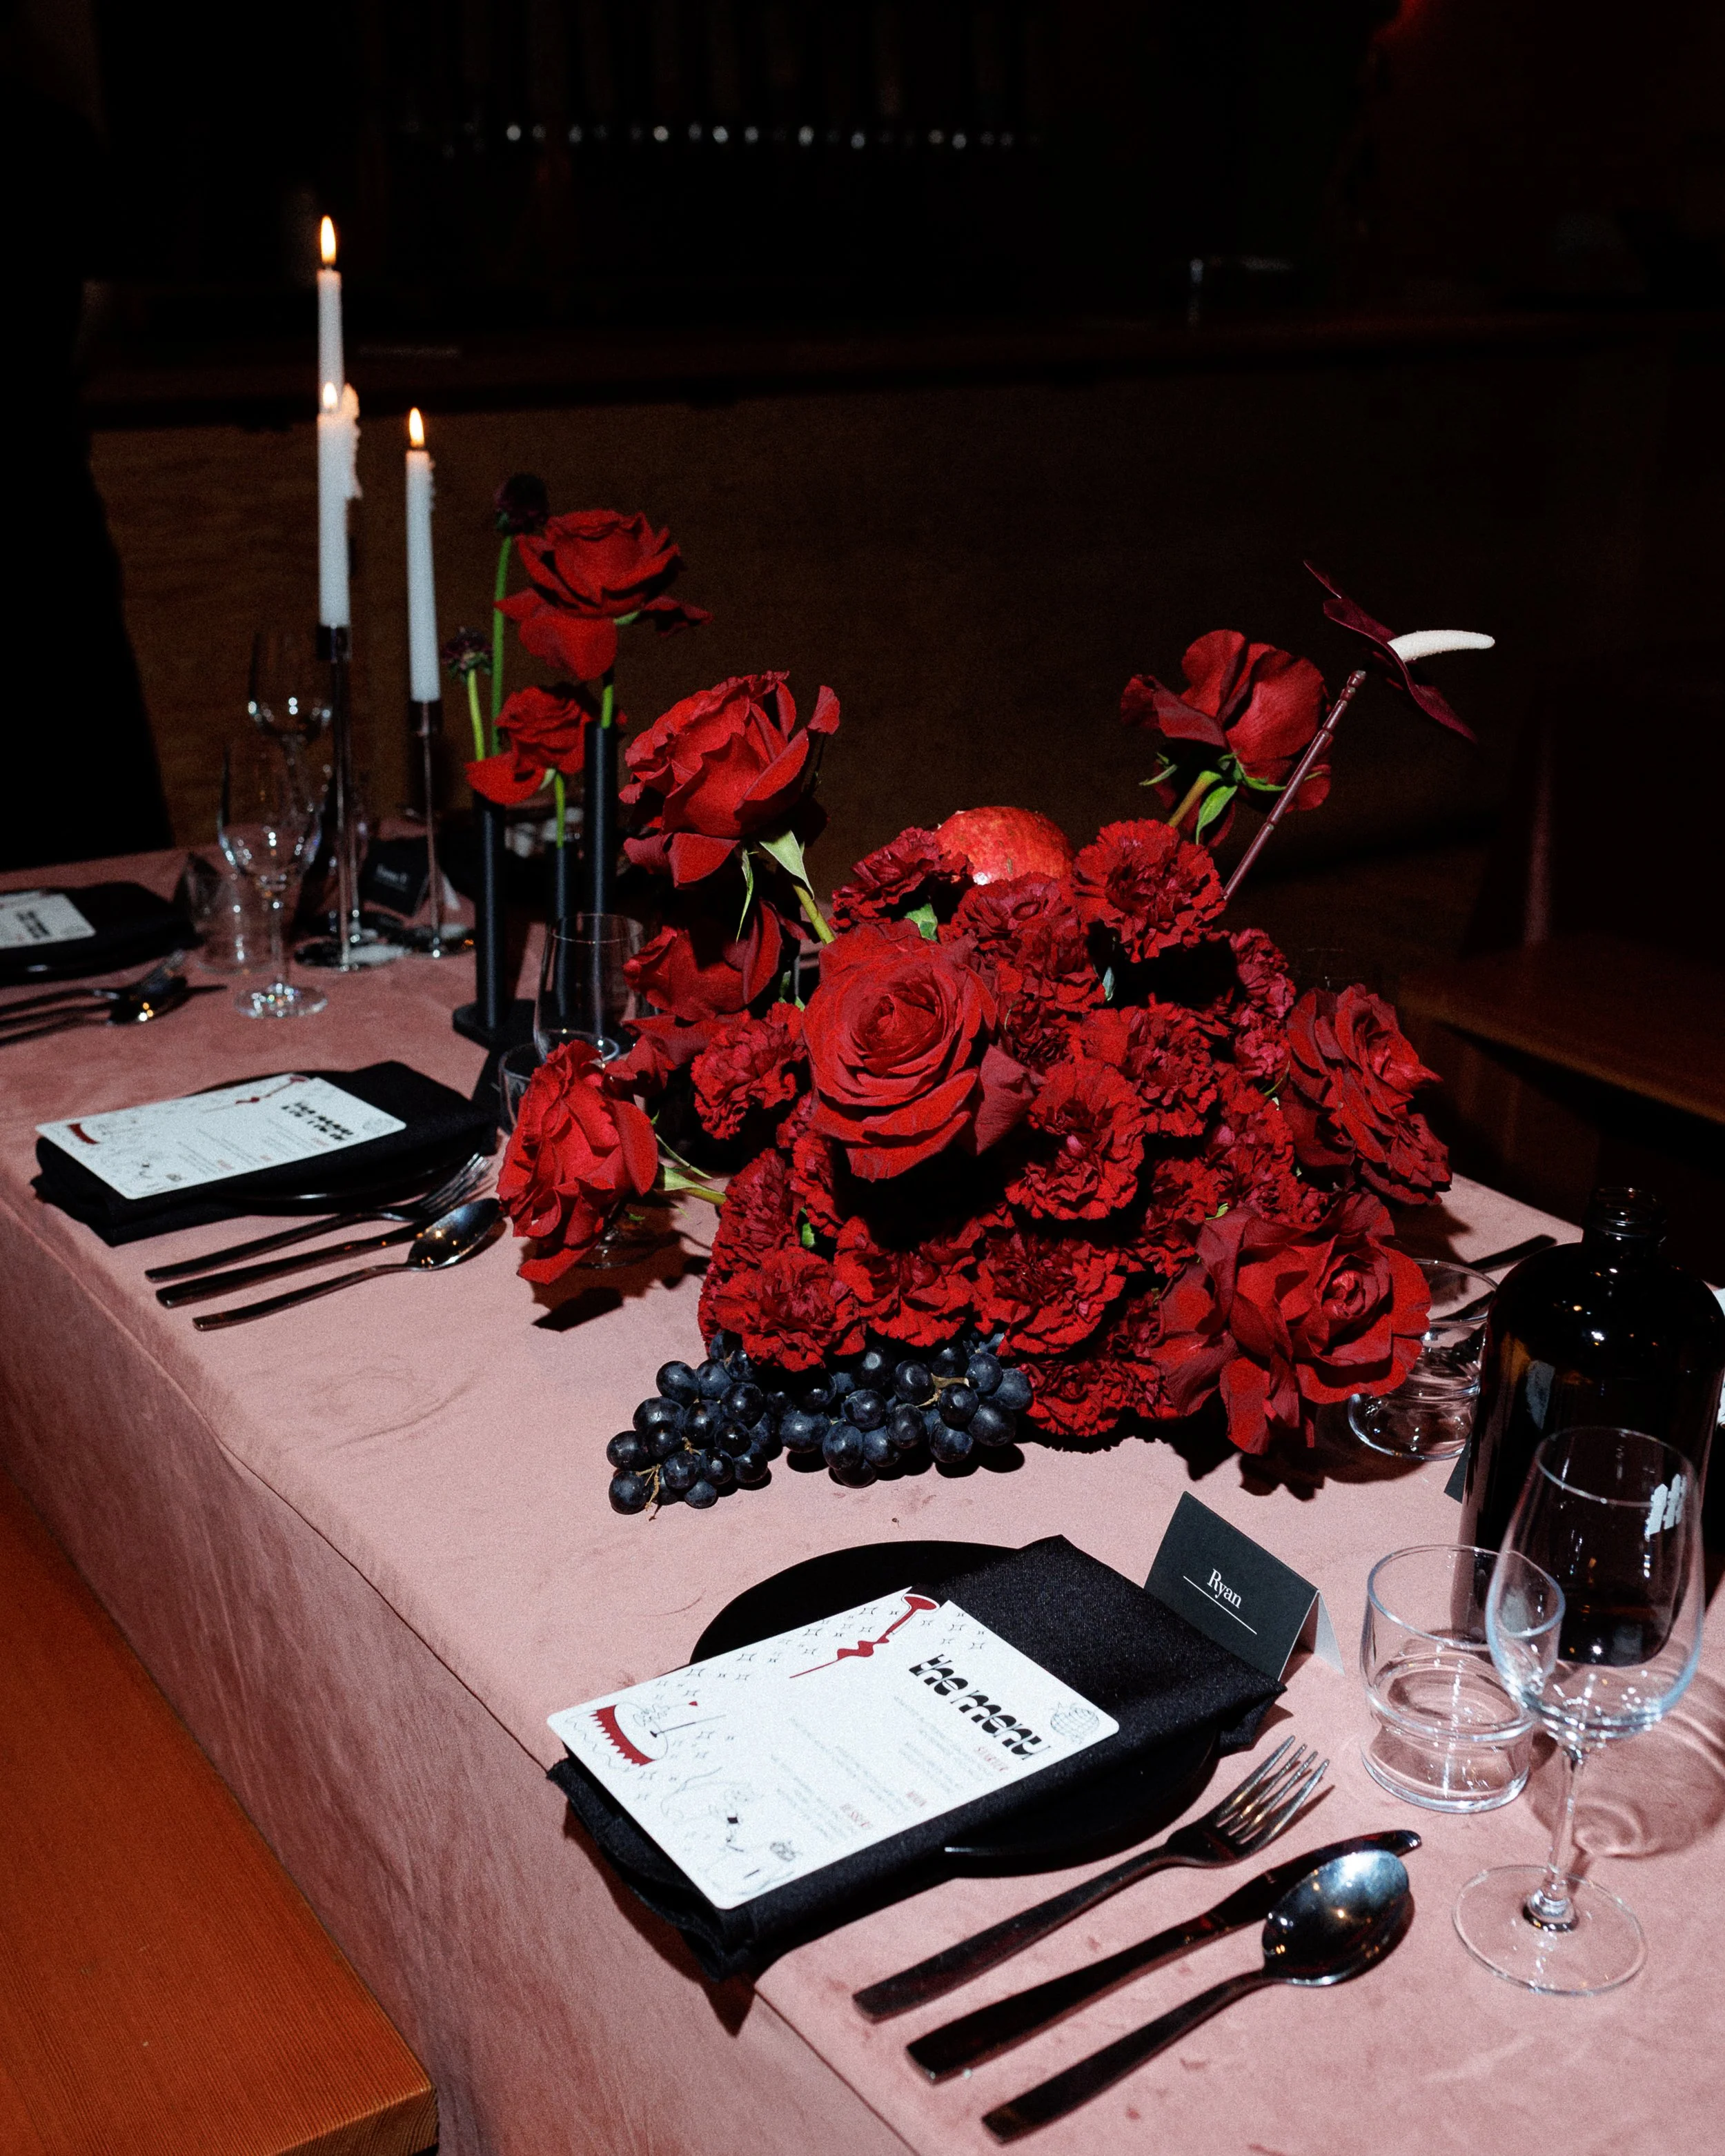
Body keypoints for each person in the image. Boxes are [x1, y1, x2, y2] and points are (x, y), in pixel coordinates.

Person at [1, 0, 171, 870]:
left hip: (39, 487)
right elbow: (93, 314)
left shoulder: (54, 136)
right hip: (37, 481)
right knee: (78, 798)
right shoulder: (53, 136)